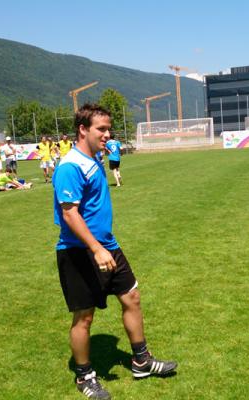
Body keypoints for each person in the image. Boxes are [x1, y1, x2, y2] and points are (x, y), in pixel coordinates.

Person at [52, 104, 177, 399]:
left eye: (109, 129)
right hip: (79, 251)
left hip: (108, 245)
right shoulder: (70, 166)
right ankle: (84, 377)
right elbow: (69, 213)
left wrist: (103, 246)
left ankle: (141, 361)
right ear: (83, 129)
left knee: (132, 297)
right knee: (84, 317)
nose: (107, 134)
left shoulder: (94, 157)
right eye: (101, 129)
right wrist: (95, 248)